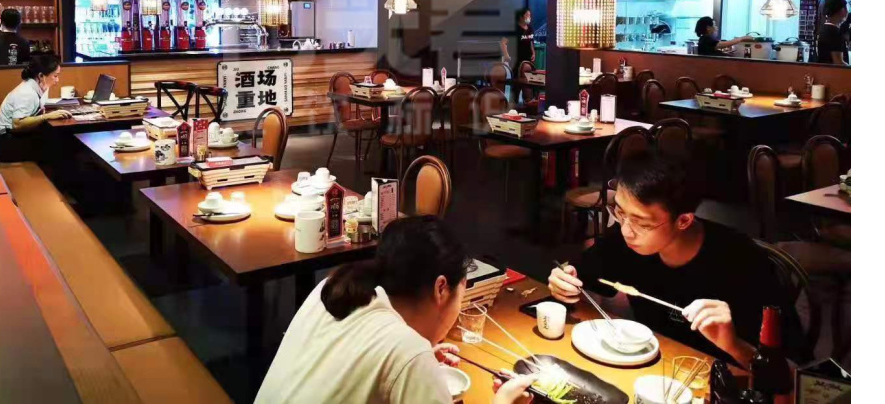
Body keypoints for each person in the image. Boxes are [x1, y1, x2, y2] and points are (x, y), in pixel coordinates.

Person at [547, 154, 801, 366]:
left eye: (642, 223)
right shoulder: (626, 241)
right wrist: (564, 281)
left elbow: (792, 375)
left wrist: (733, 345)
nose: (626, 230)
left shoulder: (742, 263)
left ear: (684, 220)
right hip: (658, 369)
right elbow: (581, 276)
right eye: (620, 213)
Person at [255, 215, 538, 404]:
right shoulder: (408, 352)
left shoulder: (333, 288)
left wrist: (414, 367)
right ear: (441, 288)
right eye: (461, 292)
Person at [0, 54, 70, 162]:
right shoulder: (27, 92)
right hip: (6, 143)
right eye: (55, 76)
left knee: (60, 139)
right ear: (41, 76)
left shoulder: (39, 86)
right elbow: (17, 124)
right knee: (59, 147)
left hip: (15, 137)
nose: (57, 80)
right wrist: (46, 116)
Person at [816, 0, 849, 65]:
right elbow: (838, 62)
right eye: (846, 8)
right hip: (833, 72)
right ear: (842, 10)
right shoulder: (835, 33)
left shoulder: (823, 29)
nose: (847, 12)